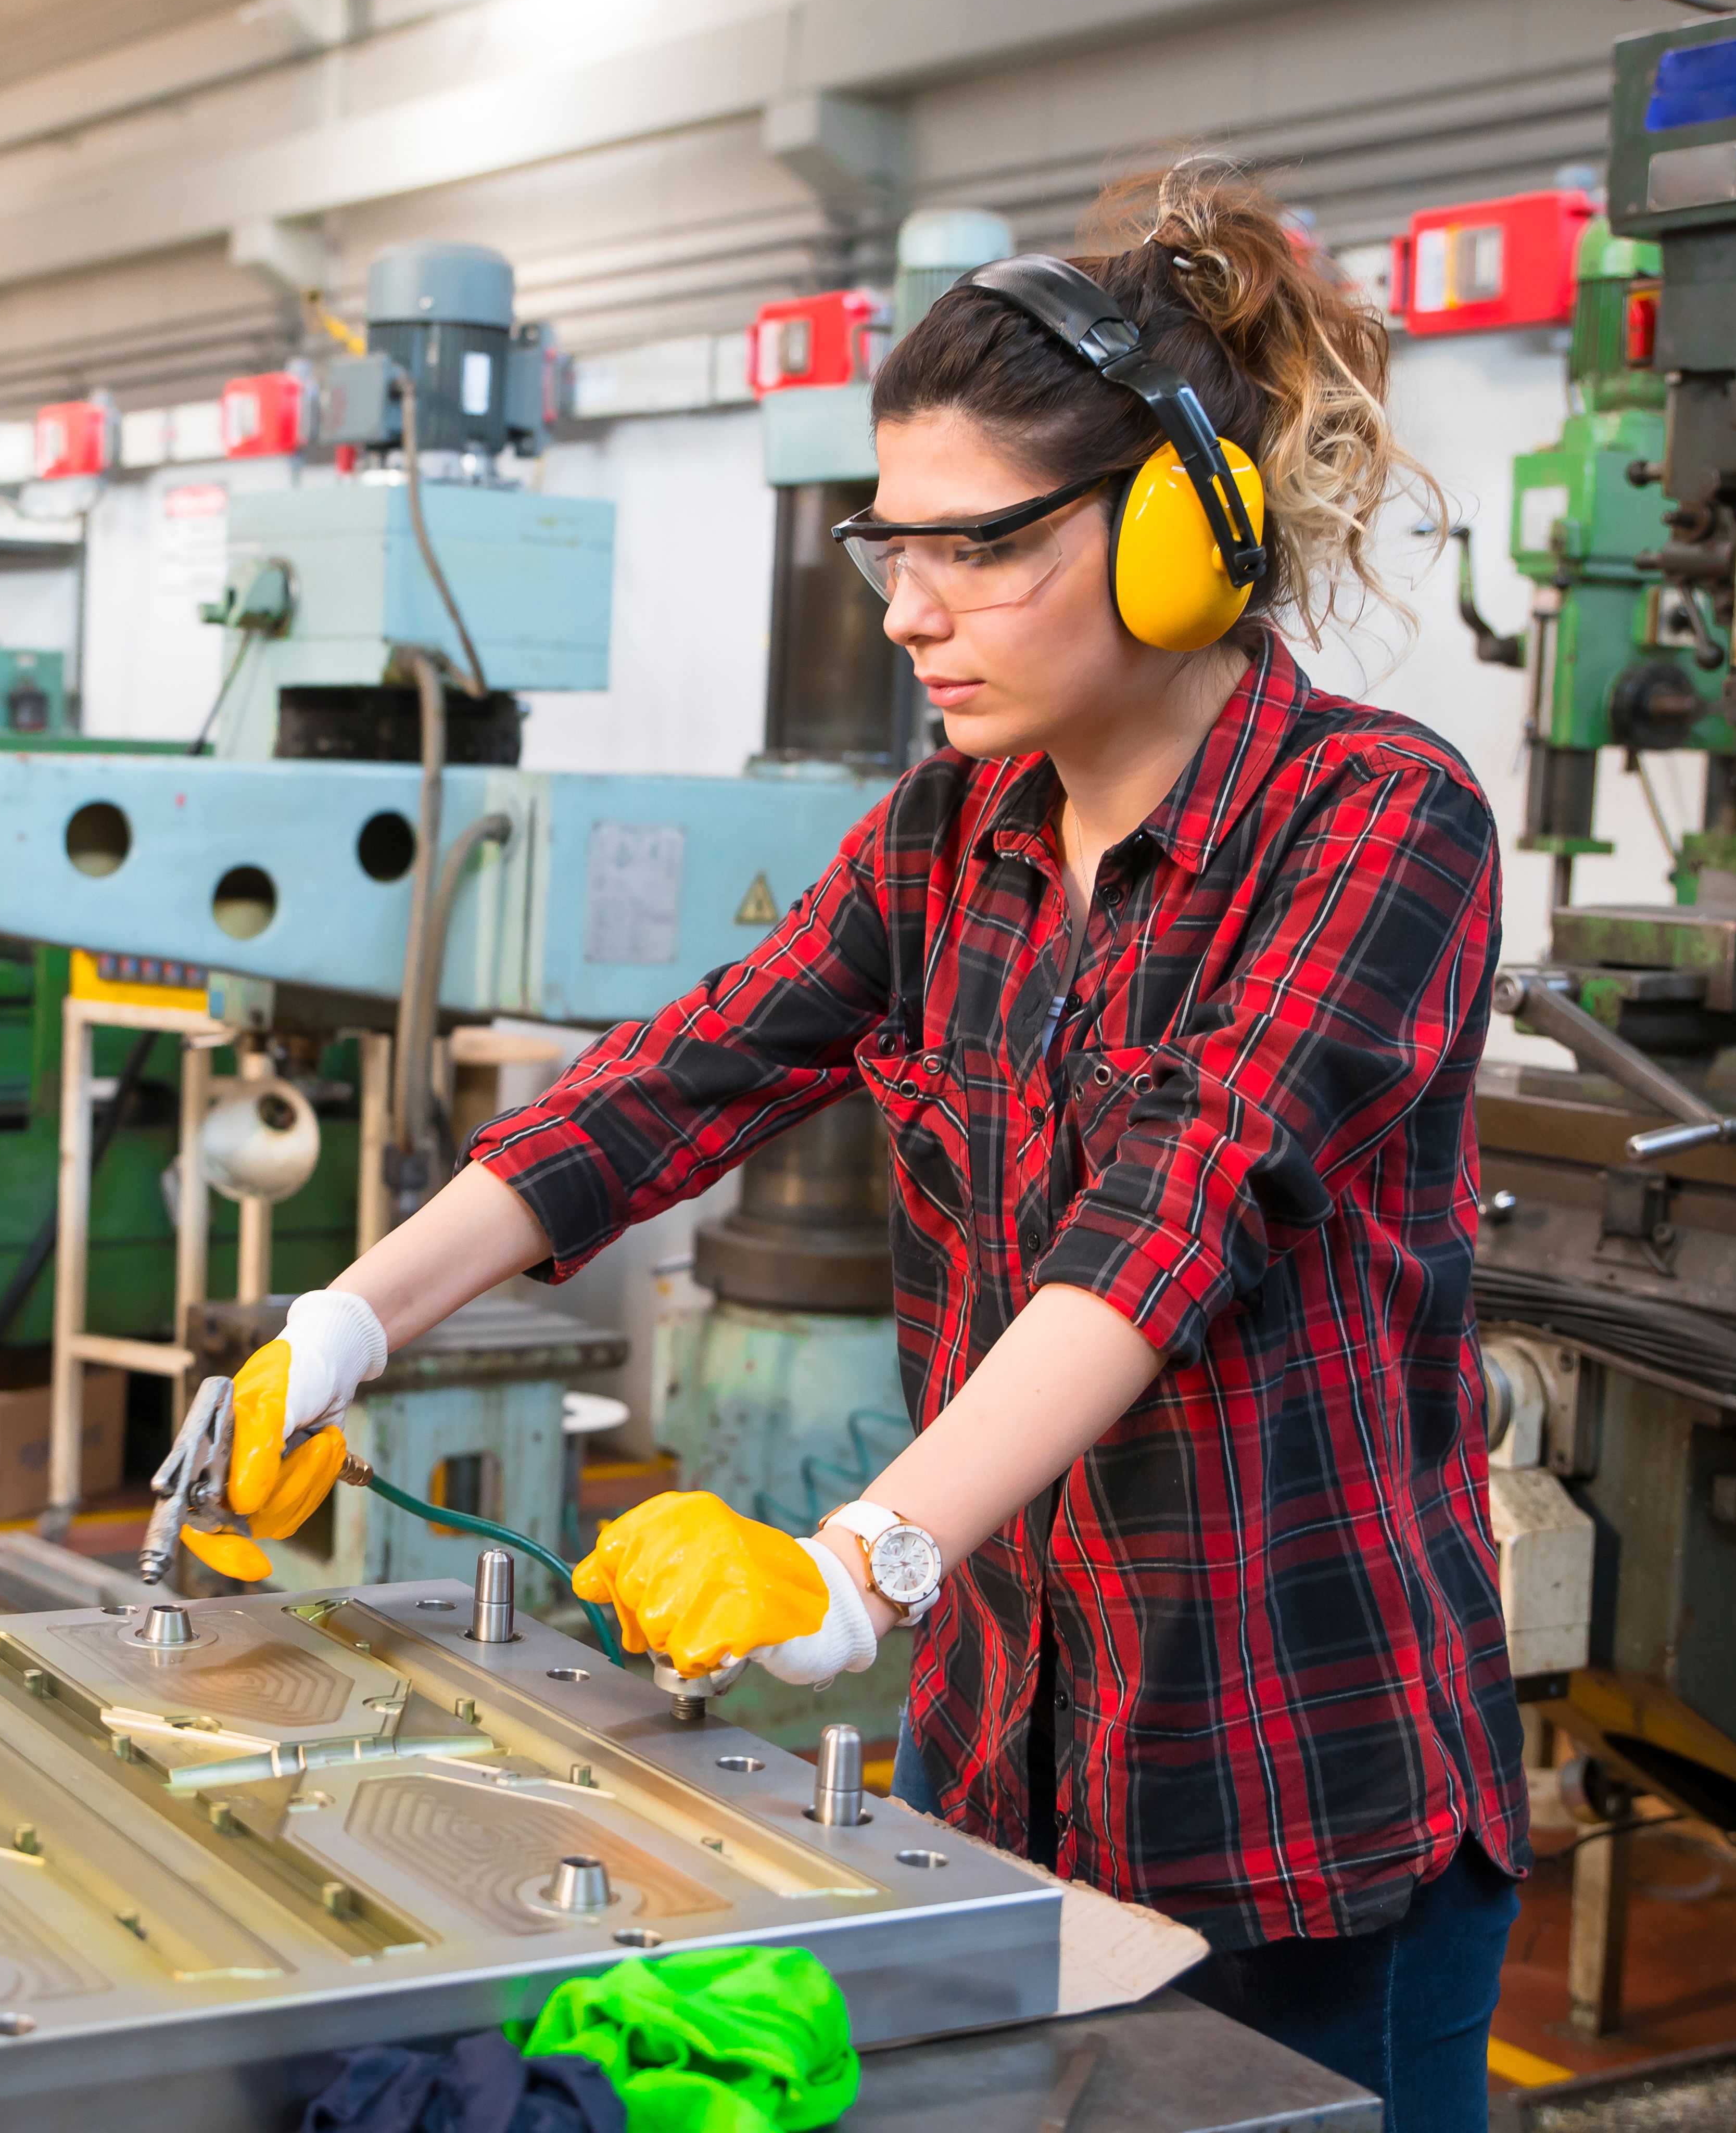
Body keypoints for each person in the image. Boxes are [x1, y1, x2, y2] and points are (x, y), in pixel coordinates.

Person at [199, 160, 1529, 2132]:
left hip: (1300, 1787)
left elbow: (1181, 1207)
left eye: (972, 551)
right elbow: (674, 1079)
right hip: (999, 1773)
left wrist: (864, 1555)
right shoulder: (946, 840)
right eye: (883, 551)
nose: (912, 612)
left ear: (1180, 533)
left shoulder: (1375, 823)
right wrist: (350, 1320)